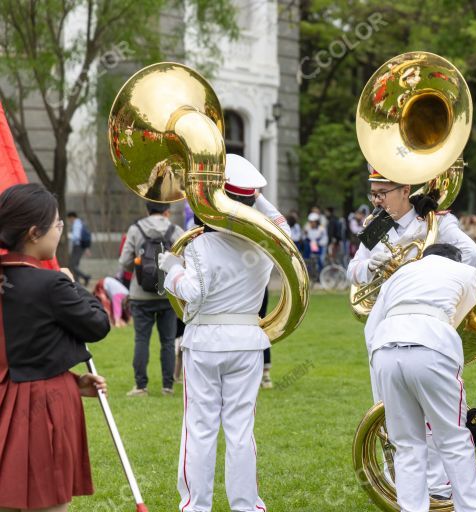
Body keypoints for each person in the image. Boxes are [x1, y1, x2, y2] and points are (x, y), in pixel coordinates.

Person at [160, 154, 286, 511]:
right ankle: (247, 506)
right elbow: (282, 225)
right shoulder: (266, 244)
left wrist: (171, 271)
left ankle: (196, 506)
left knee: (199, 429)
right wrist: (255, 196)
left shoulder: (199, 244)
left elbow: (193, 292)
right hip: (247, 342)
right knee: (240, 432)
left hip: (205, 342)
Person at [348, 165, 476, 499]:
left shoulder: (434, 220)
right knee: (393, 411)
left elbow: (472, 255)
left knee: (437, 417)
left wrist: (422, 266)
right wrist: (371, 267)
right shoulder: (377, 224)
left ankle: (438, 485)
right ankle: (403, 482)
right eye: (373, 193)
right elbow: (354, 268)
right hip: (386, 320)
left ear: (405, 190)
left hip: (427, 318)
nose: (376, 201)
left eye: (383, 193)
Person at [0, 183, 110, 511]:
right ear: (35, 233)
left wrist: (72, 383)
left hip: (16, 397)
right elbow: (98, 324)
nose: (60, 232)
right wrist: (73, 286)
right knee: (44, 500)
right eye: (58, 225)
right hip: (37, 407)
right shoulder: (52, 285)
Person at [365, 243, 476, 512]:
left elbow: (372, 327)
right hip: (432, 347)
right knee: (454, 440)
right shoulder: (465, 271)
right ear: (456, 258)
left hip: (385, 349)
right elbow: (464, 321)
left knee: (406, 445)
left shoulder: (400, 273)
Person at [119, 201, 184, 397]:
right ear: (167, 211)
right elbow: (186, 258)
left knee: (141, 339)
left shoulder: (136, 229)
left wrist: (140, 270)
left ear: (147, 210)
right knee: (167, 342)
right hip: (168, 294)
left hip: (140, 295)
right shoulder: (176, 230)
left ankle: (140, 387)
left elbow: (124, 262)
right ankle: (168, 386)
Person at [66, 211, 91, 285]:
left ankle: (85, 277)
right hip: (80, 246)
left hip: (78, 246)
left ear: (72, 217)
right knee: (75, 265)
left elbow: (76, 237)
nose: (69, 221)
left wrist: (68, 236)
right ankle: (77, 282)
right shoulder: (80, 222)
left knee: (72, 265)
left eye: (69, 219)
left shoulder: (76, 224)